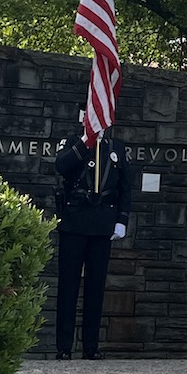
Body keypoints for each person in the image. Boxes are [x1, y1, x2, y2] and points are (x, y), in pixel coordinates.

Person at [54, 123, 135, 359]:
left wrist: (122, 219)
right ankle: (64, 347)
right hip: (74, 222)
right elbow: (62, 166)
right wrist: (84, 142)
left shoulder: (116, 148)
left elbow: (125, 188)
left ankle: (91, 346)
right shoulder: (72, 143)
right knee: (68, 286)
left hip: (102, 223)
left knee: (96, 287)